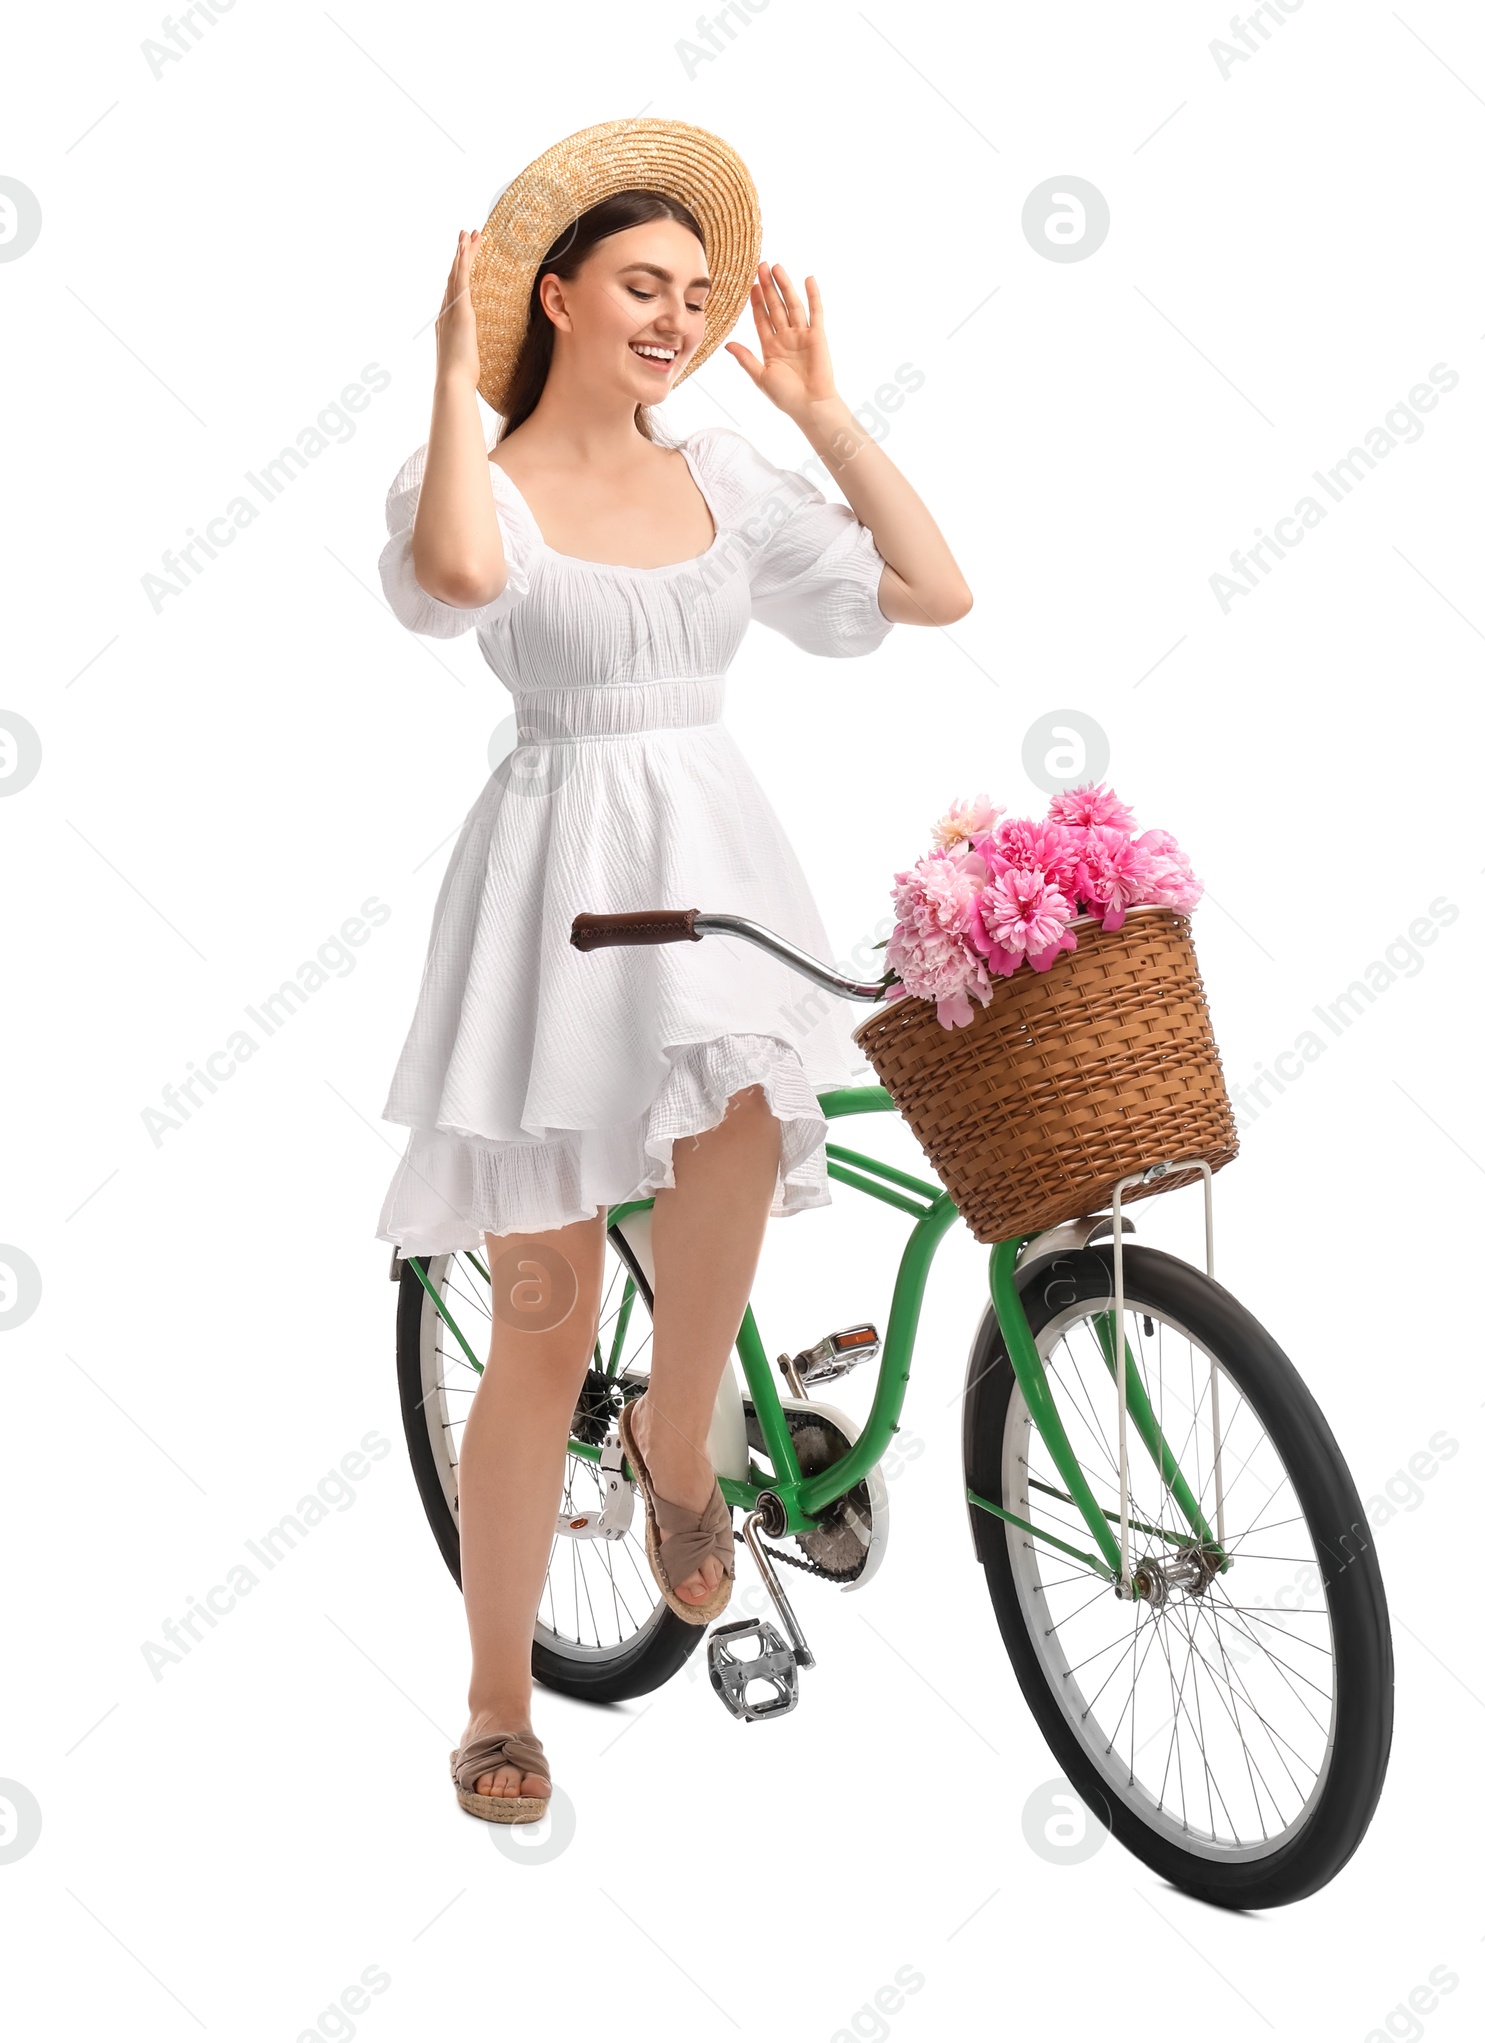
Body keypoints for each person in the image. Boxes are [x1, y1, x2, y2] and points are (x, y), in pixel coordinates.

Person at [372, 119, 971, 1822]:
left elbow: (933, 588)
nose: (680, 318)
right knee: (544, 1323)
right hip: (558, 885)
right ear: (554, 296)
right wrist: (443, 369)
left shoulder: (725, 472)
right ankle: (502, 1700)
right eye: (644, 285)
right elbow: (462, 579)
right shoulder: (470, 484)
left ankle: (679, 1431)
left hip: (711, 862)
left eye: (698, 297)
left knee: (740, 1134)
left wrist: (818, 409)